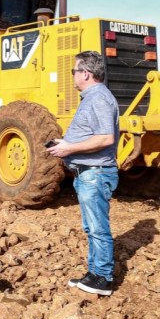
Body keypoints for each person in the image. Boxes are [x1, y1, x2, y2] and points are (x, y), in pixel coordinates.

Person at [49, 50, 120, 296]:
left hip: (95, 173)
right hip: (88, 173)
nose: (73, 76)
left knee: (98, 228)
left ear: (86, 73)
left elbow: (105, 137)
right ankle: (94, 272)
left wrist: (69, 147)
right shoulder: (92, 97)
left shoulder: (98, 98)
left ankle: (103, 277)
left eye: (74, 71)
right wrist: (65, 142)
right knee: (91, 227)